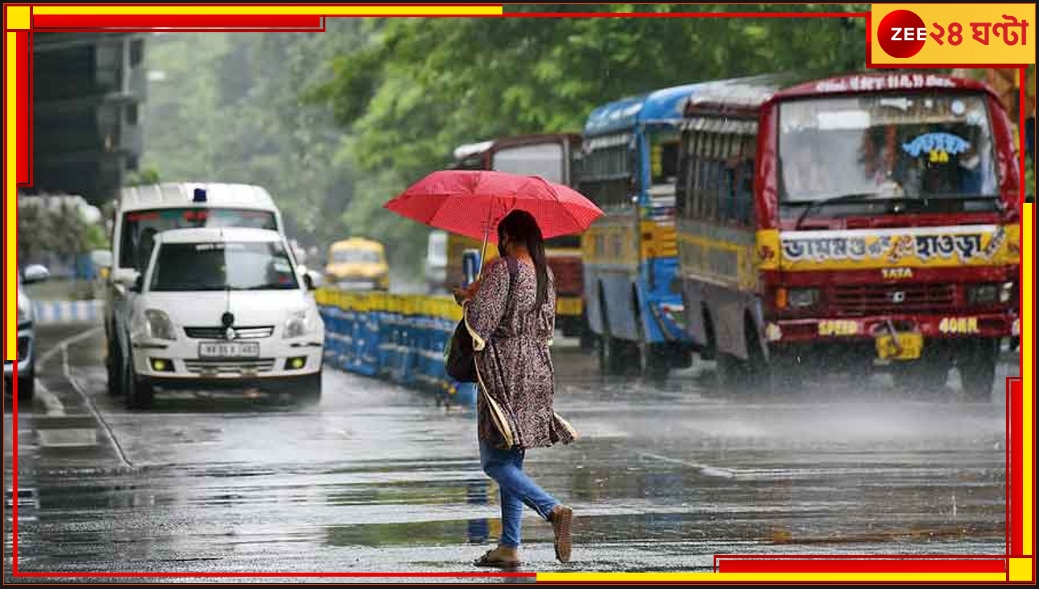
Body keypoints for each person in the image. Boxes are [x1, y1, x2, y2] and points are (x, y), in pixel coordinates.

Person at [454, 210, 578, 569]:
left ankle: (552, 509)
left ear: (507, 236)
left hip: (503, 371)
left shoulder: (503, 269)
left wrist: (468, 298)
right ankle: (509, 545)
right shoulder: (544, 273)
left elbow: (480, 325)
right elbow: (547, 325)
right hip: (537, 369)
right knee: (511, 460)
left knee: (493, 461)